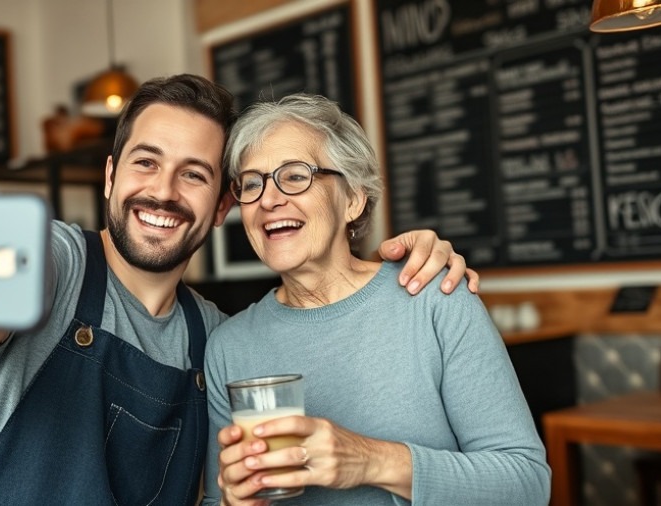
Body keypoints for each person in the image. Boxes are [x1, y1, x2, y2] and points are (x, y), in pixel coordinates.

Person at [0, 75, 476, 505]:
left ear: (220, 207)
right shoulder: (52, 263)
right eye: (146, 162)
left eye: (194, 175)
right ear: (110, 177)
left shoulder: (217, 338)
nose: (164, 192)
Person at [203, 94, 549, 506]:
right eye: (252, 183)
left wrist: (369, 461)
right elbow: (218, 497)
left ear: (353, 199)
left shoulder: (432, 299)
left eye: (295, 176)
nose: (268, 199)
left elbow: (527, 484)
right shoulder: (229, 346)